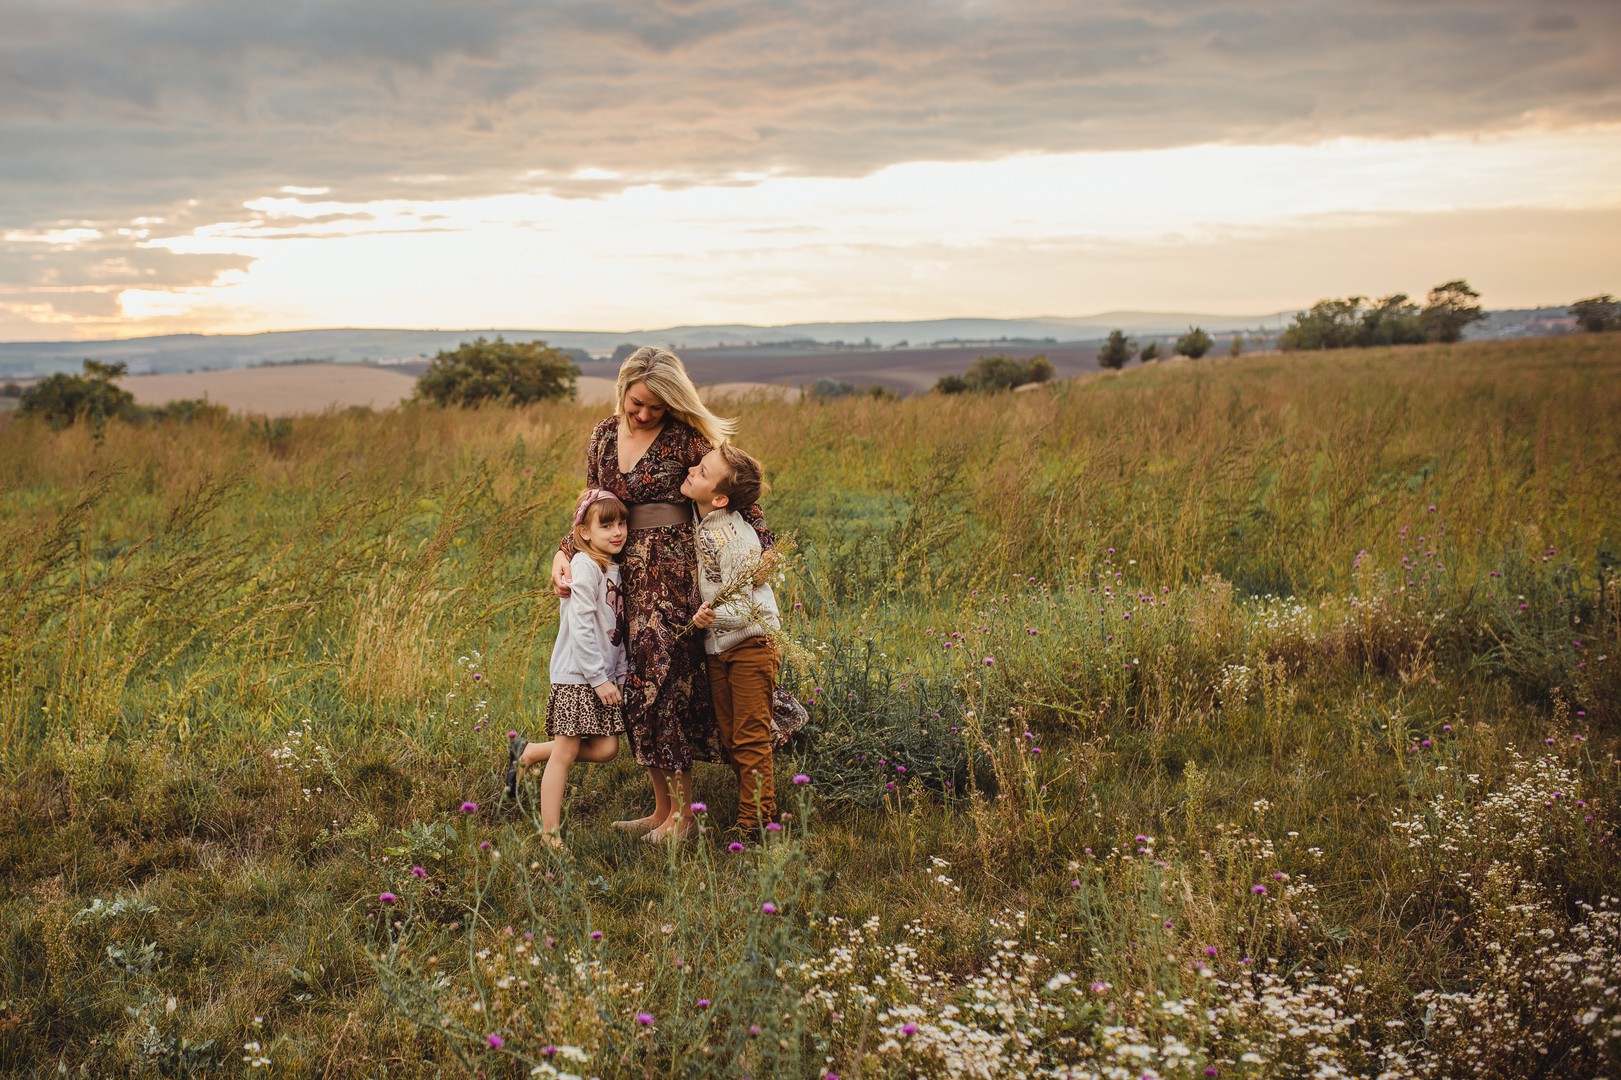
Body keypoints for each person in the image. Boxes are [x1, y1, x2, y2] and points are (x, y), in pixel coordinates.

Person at [549, 347, 771, 843]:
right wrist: (565, 551)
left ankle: (684, 817)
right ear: (623, 388)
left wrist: (765, 548)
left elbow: (736, 496)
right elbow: (592, 503)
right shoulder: (603, 435)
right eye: (637, 403)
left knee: (663, 686)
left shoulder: (687, 439)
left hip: (671, 577)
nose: (645, 414)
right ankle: (660, 808)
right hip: (615, 574)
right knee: (632, 686)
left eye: (657, 406)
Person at [508, 488, 629, 846]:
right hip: (578, 675)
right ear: (584, 532)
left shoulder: (613, 567)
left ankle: (528, 752)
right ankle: (549, 834)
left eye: (622, 523)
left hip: (600, 675)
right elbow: (581, 626)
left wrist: (617, 675)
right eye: (606, 525)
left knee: (607, 749)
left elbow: (616, 629)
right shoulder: (584, 566)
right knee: (565, 752)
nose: (618, 531)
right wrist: (597, 678)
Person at [686, 445, 783, 837]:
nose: (693, 469)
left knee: (749, 735)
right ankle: (761, 808)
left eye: (703, 471)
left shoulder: (731, 535)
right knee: (731, 735)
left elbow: (742, 611)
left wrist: (705, 616)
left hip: (750, 645)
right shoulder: (708, 516)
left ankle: (755, 822)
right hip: (722, 647)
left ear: (720, 498)